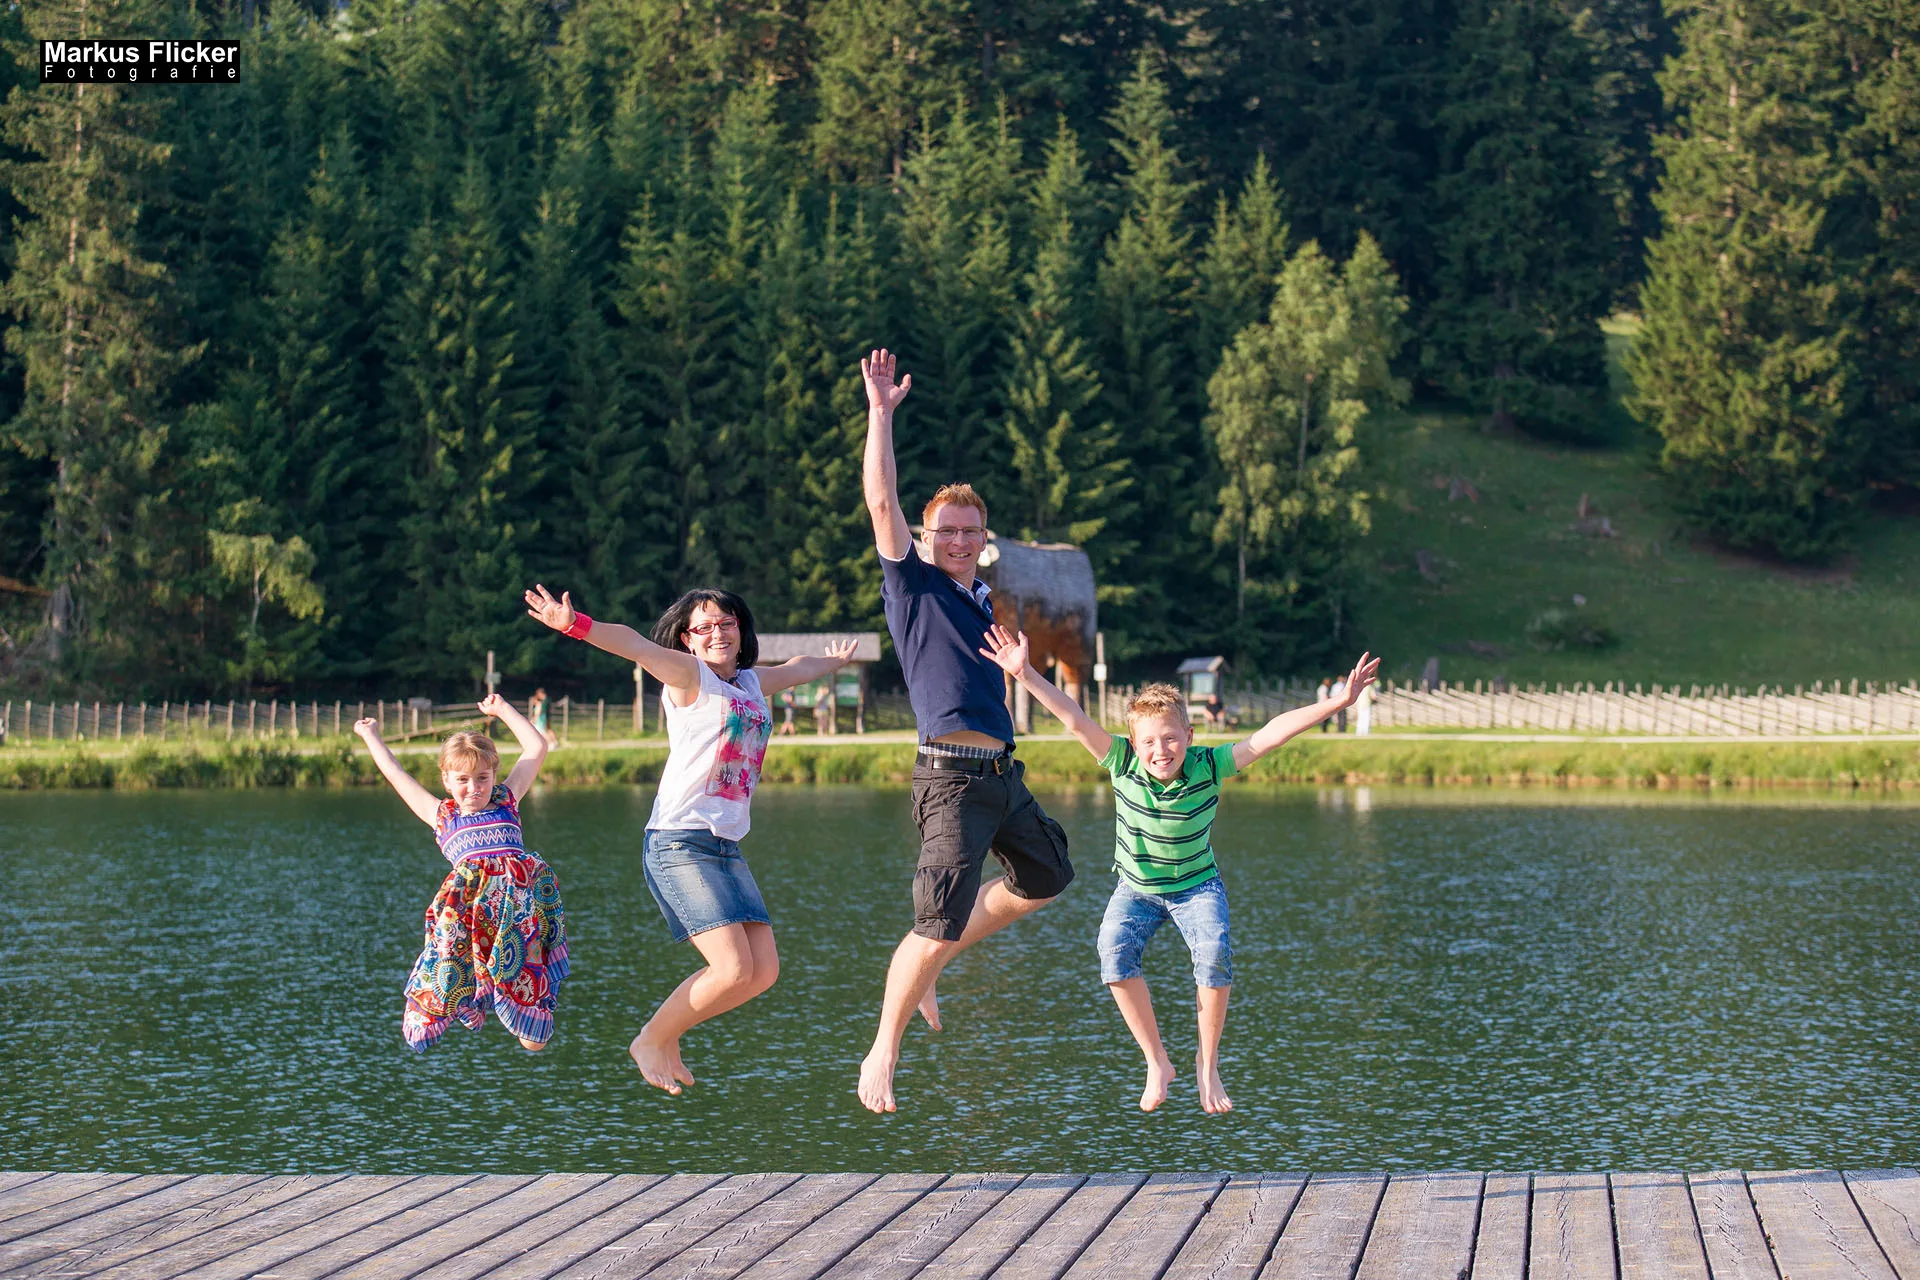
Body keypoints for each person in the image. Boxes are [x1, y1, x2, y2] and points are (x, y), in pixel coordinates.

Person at [981, 627, 1379, 1113]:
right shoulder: (1121, 761)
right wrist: (1024, 674)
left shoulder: (1210, 766)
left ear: (1189, 737)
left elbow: (1272, 733)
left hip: (1196, 886)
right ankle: (1157, 1062)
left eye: (1171, 738)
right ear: (1133, 742)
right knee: (1113, 952)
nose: (1160, 750)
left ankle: (1206, 1064)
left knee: (1213, 953)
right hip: (1138, 889)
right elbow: (1073, 717)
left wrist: (1336, 704)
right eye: (1149, 741)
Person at [526, 582, 857, 1094]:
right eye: (704, 627)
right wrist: (574, 624)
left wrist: (833, 664)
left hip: (725, 844)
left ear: (740, 629)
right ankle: (651, 1039)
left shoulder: (748, 682)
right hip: (679, 842)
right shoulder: (689, 677)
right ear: (688, 639)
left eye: (726, 623)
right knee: (730, 968)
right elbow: (633, 644)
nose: (717, 633)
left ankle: (669, 1034)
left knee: (762, 971)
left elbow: (796, 669)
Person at [856, 347, 1075, 1114]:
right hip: (949, 778)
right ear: (925, 536)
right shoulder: (911, 587)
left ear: (983, 539)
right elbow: (881, 504)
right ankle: (882, 1050)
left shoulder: (981, 600)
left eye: (969, 532)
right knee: (932, 918)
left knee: (1047, 877)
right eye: (945, 530)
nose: (957, 540)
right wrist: (882, 416)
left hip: (1002, 779)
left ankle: (937, 957)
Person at [355, 695, 569, 1053]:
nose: (474, 788)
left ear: (494, 776)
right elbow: (396, 773)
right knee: (447, 964)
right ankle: (447, 1005)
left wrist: (502, 710)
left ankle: (517, 1004)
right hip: (470, 921)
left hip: (515, 918)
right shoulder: (441, 815)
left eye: (483, 778)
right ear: (447, 779)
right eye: (463, 780)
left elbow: (536, 745)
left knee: (534, 1041)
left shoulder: (506, 800)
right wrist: (371, 736)